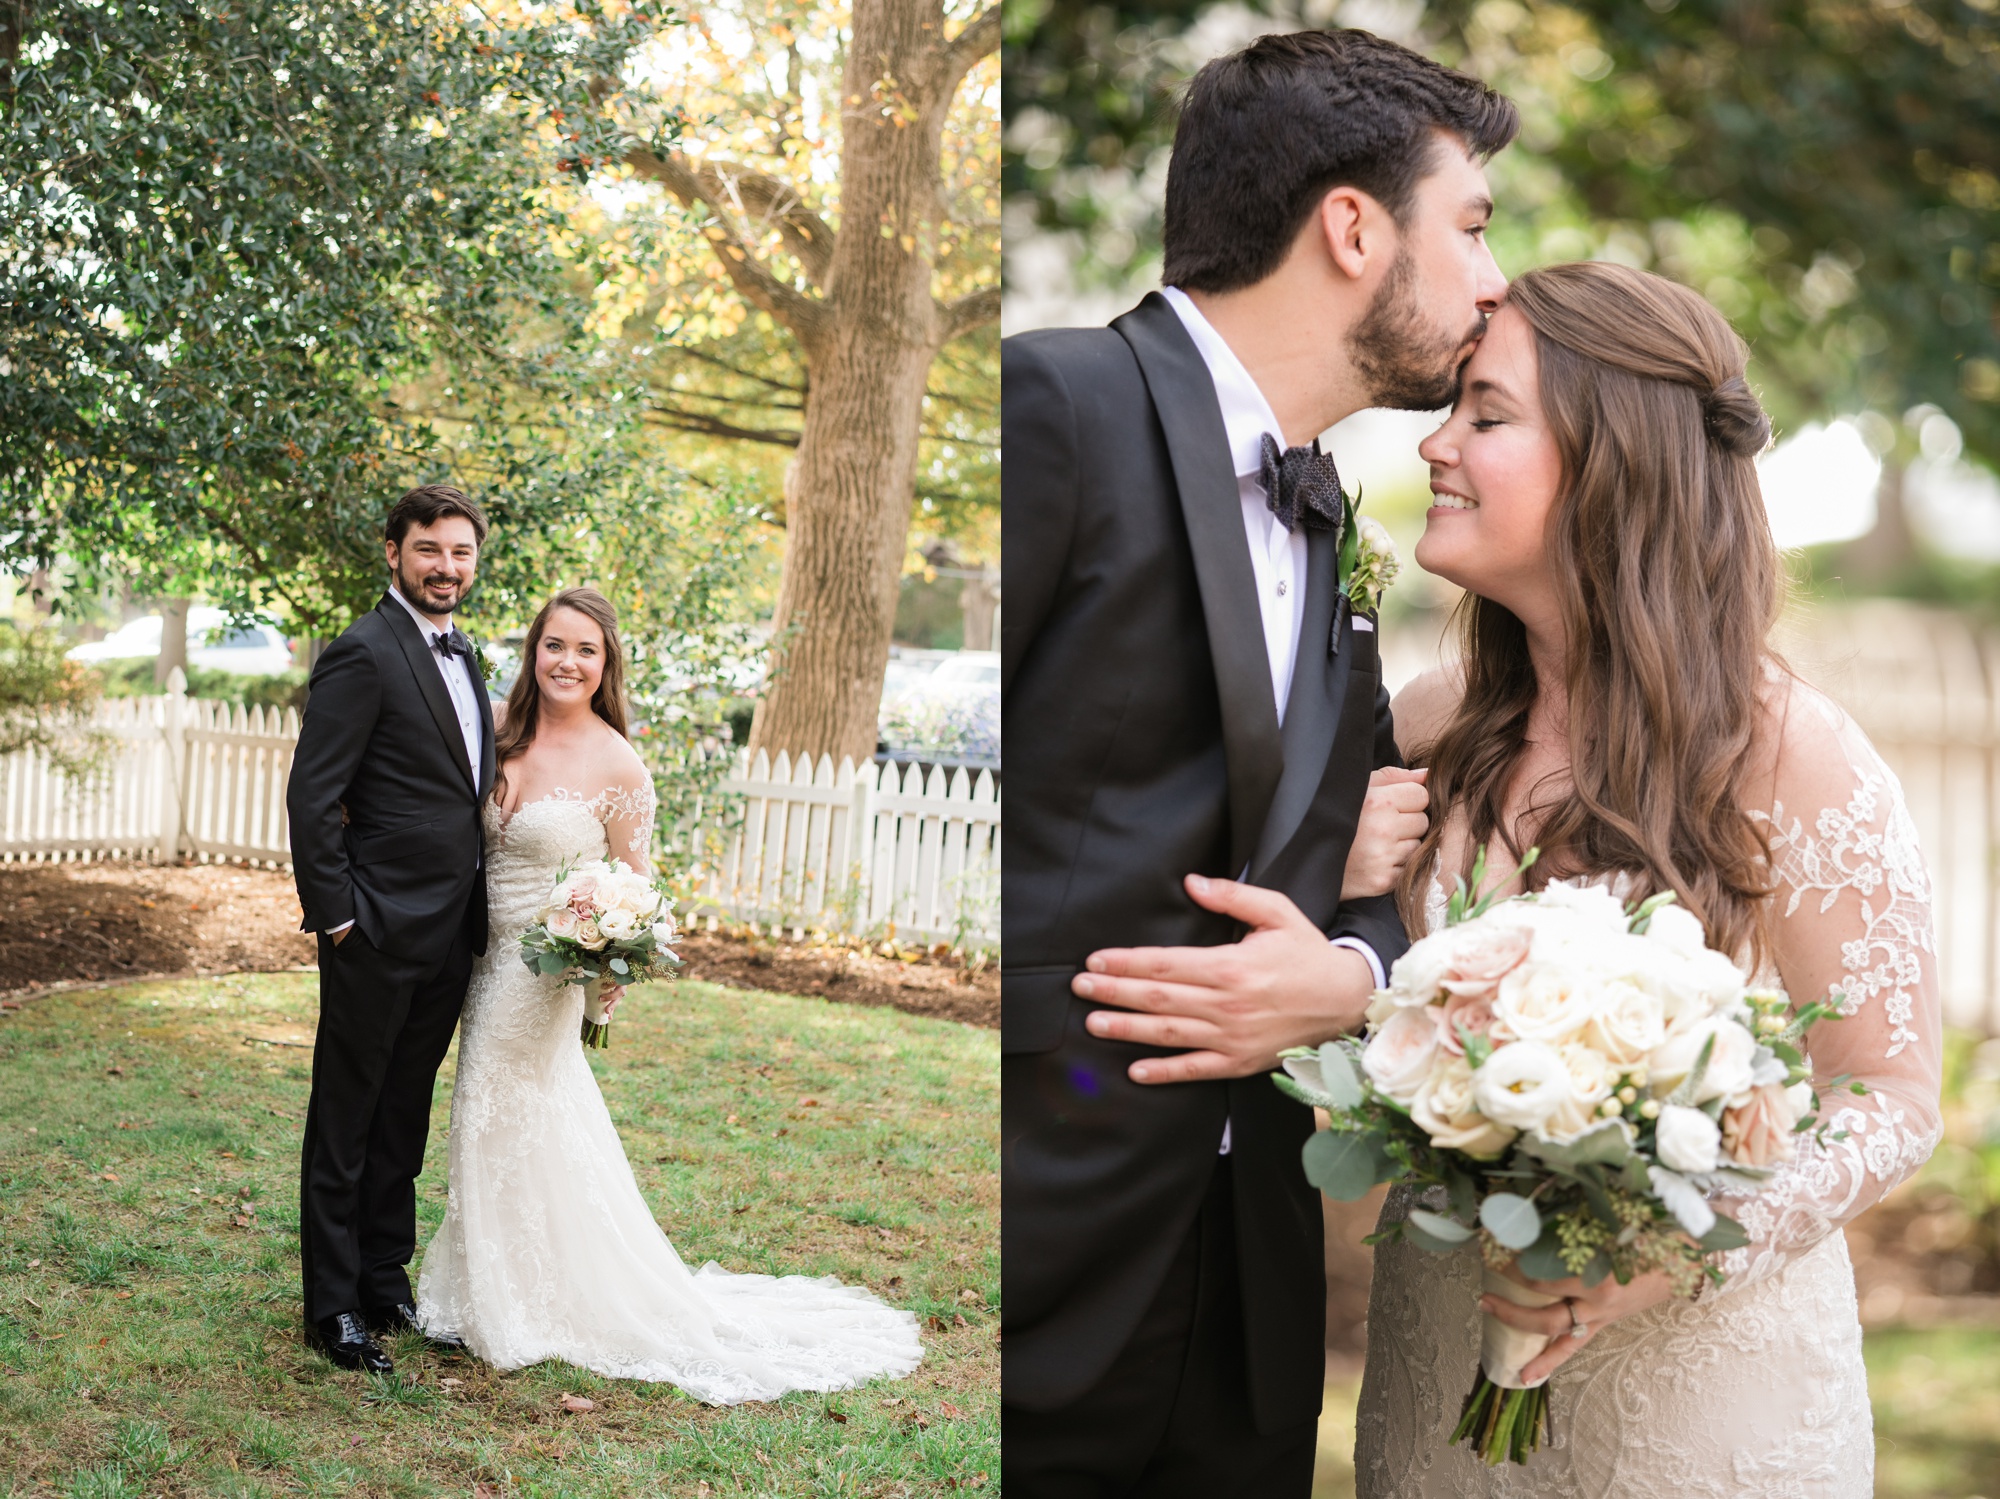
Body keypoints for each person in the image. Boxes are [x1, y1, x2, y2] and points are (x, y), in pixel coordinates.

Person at [1001, 28, 1516, 1495]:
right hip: (1036, 1248)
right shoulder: (1057, 406)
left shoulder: (1330, 514)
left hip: (1249, 1299)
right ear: (1352, 227)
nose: (1490, 282)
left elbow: (1357, 851)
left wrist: (1351, 968)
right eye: (1470, 226)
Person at [1351, 262, 1943, 1496]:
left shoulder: (1789, 752)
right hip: (1435, 1379)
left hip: (1694, 1413)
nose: (1436, 443)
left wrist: (1669, 1248)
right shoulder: (1426, 726)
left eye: (1484, 412)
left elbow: (1887, 1093)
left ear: (1611, 461)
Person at [412, 587, 923, 1401]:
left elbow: (636, 889)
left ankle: (519, 1303)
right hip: (480, 953)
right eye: (554, 645)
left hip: (541, 969)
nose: (566, 662)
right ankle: (503, 1279)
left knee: (497, 1100)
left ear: (606, 663)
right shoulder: (500, 734)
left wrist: (604, 961)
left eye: (585, 650)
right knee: (508, 1111)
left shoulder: (619, 763)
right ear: (532, 652)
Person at [286, 484, 496, 1372]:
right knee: (347, 1117)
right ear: (393, 552)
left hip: (452, 933)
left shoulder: (469, 652)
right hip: (372, 932)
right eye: (430, 550)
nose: (447, 568)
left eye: (461, 553)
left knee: (403, 1114)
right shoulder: (362, 654)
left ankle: (384, 1278)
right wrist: (339, 919)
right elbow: (312, 794)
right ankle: (332, 1306)